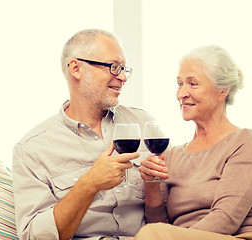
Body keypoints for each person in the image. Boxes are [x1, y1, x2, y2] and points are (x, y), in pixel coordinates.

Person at [12, 29, 154, 240]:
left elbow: (171, 207)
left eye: (124, 69)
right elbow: (36, 236)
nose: (123, 77)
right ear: (76, 68)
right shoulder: (31, 150)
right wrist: (90, 183)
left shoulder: (143, 125)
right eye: (114, 67)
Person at [138, 45, 252, 240]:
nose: (181, 94)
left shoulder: (245, 143)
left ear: (222, 91)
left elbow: (225, 219)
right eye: (179, 84)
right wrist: (151, 187)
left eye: (193, 84)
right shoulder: (171, 155)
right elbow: (158, 226)